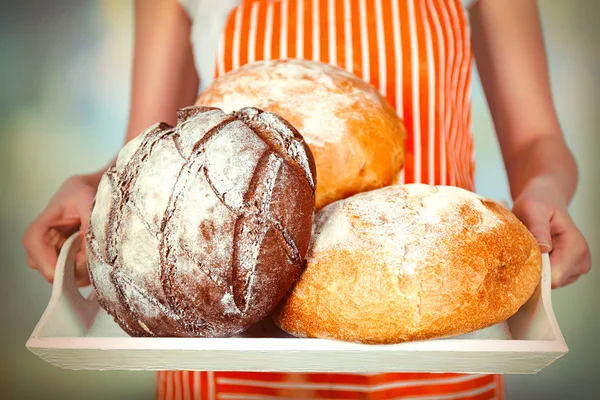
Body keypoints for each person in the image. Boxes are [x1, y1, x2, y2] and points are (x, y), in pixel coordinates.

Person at [23, 0, 592, 398]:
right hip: (233, 351)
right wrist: (100, 188)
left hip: (435, 317)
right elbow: (152, 144)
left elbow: (536, 138)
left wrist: (542, 190)